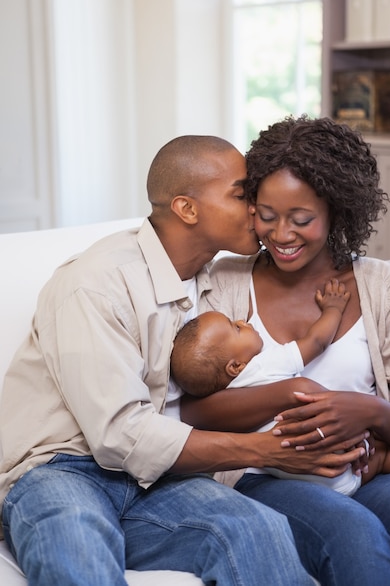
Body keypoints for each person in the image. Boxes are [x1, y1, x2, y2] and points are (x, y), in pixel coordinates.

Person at [0, 135, 321, 586]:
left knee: (257, 529)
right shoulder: (96, 283)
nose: (259, 207)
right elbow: (119, 435)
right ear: (187, 209)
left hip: (155, 482)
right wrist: (263, 450)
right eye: (242, 194)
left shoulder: (216, 286)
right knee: (77, 546)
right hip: (62, 468)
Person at [180, 116, 390, 585]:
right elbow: (189, 410)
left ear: (337, 210)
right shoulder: (225, 282)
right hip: (264, 476)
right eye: (267, 215)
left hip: (365, 472)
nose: (282, 234)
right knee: (356, 540)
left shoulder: (383, 284)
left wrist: (368, 411)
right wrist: (293, 391)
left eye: (301, 219)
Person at [171, 289, 390, 495]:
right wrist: (333, 309)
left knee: (382, 461)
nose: (243, 322)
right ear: (235, 366)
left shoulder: (227, 390)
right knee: (382, 457)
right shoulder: (265, 363)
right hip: (336, 454)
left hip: (308, 475)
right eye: (236, 328)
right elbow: (316, 341)